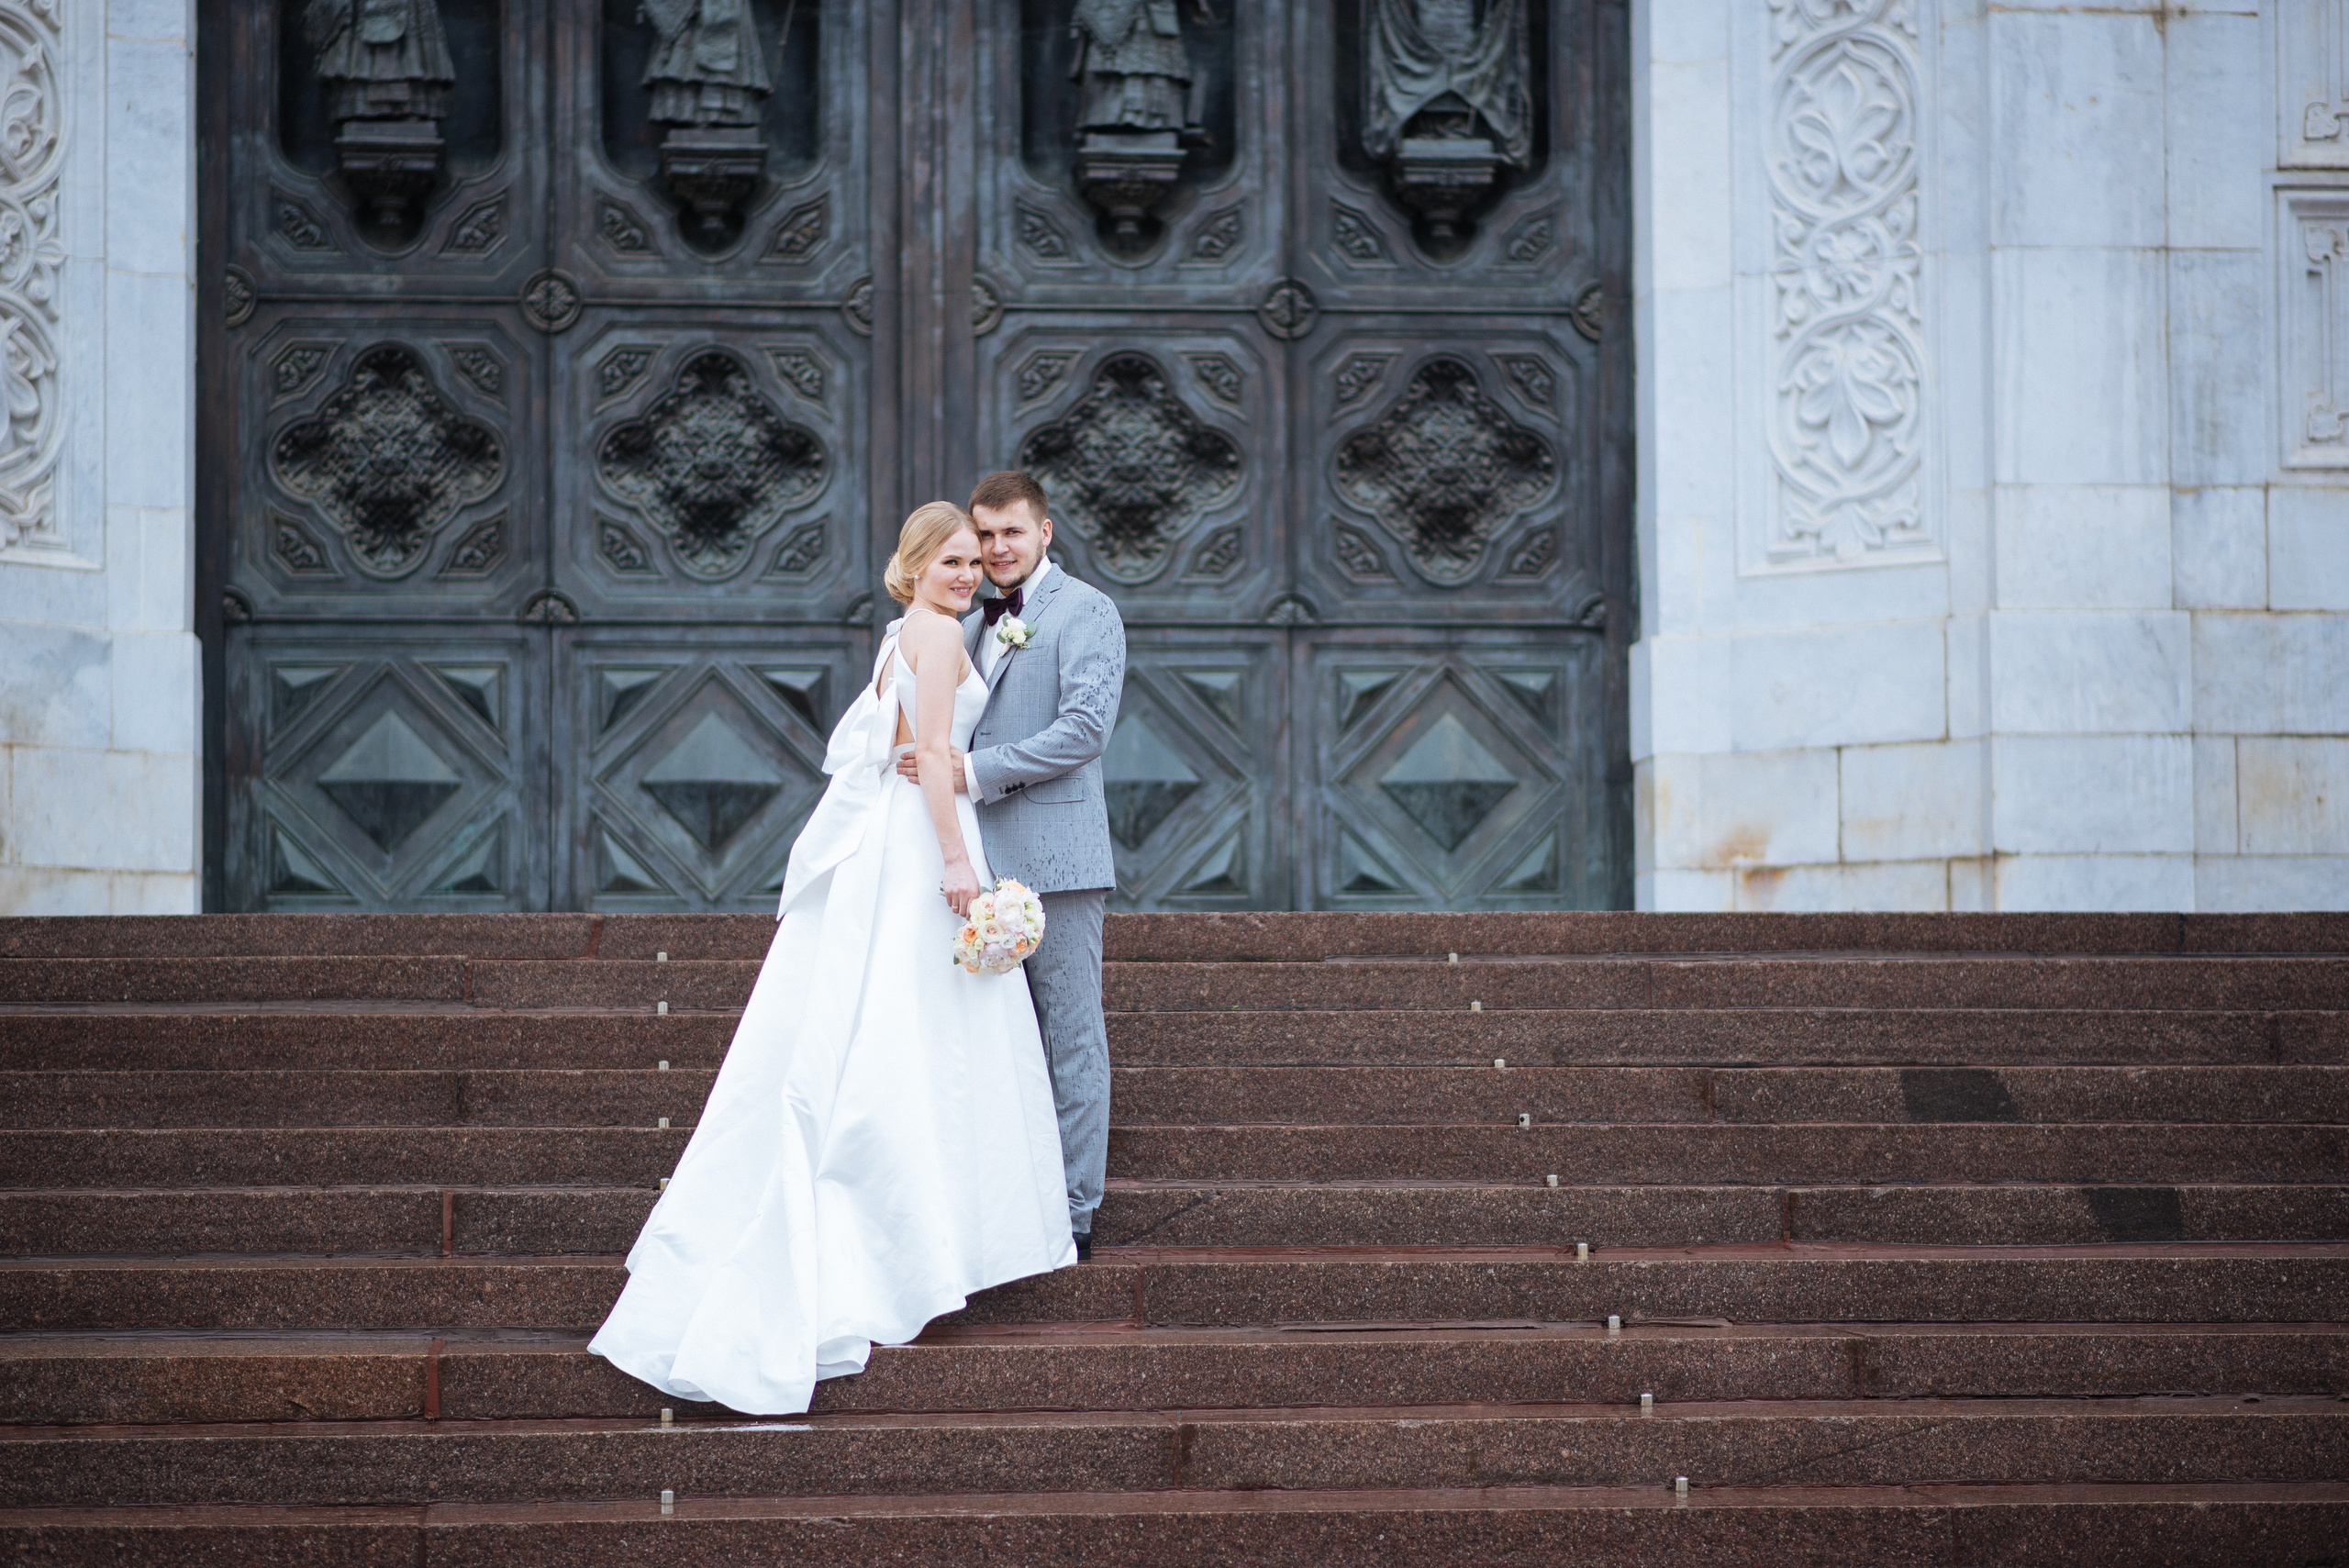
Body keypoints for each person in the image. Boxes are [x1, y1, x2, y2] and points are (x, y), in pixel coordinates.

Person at [588, 502, 1074, 1417]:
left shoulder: (908, 631)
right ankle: (906, 1239)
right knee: (916, 1026)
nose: (968, 575)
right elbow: (930, 751)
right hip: (926, 840)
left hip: (892, 838)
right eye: (953, 560)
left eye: (977, 562)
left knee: (894, 1020)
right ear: (918, 561)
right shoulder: (932, 638)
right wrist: (961, 860)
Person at [895, 471, 1126, 1260]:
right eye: (984, 536)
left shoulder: (1087, 610)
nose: (994, 550)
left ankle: (1073, 1211)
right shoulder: (960, 619)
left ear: (1045, 533)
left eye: (1010, 534)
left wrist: (975, 769)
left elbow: (1085, 728)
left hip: (1058, 862)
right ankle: (1001, 1201)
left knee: (1069, 1036)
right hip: (973, 864)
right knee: (989, 1043)